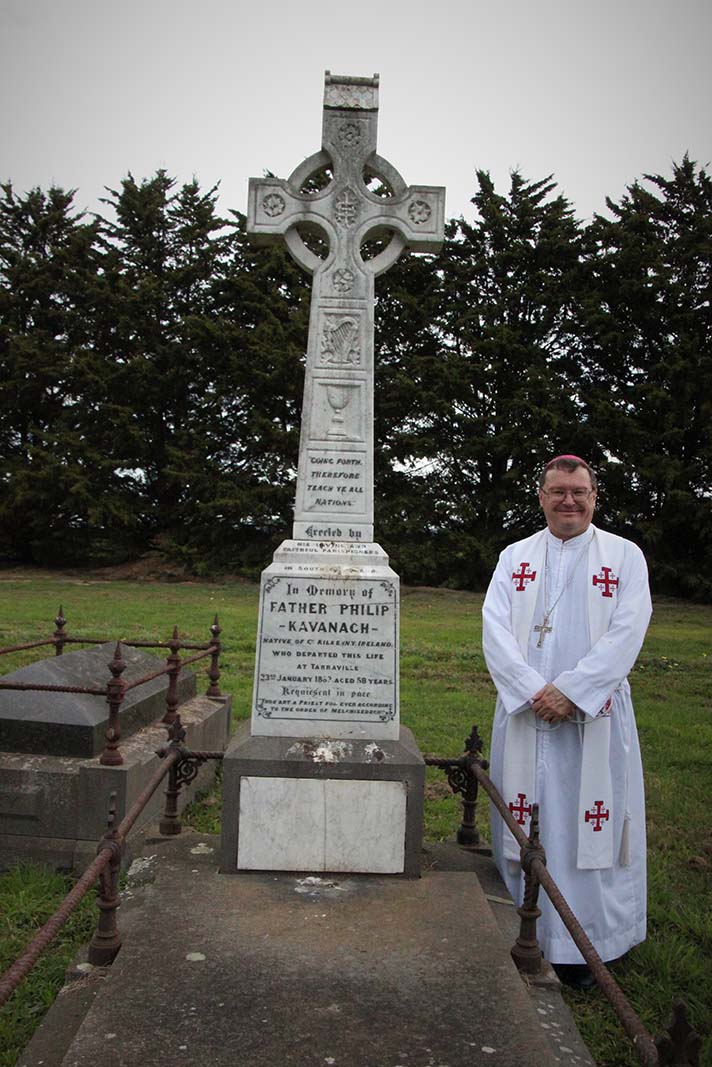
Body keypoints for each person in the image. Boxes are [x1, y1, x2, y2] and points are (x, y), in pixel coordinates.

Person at [482, 455, 652, 988]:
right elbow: (494, 629)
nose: (569, 501)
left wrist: (573, 692)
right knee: (531, 822)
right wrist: (536, 691)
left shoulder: (624, 557)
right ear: (542, 497)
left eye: (578, 491)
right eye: (558, 491)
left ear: (594, 496)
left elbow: (628, 630)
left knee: (590, 827)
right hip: (528, 715)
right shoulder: (515, 557)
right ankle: (528, 935)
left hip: (593, 721)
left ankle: (592, 946)